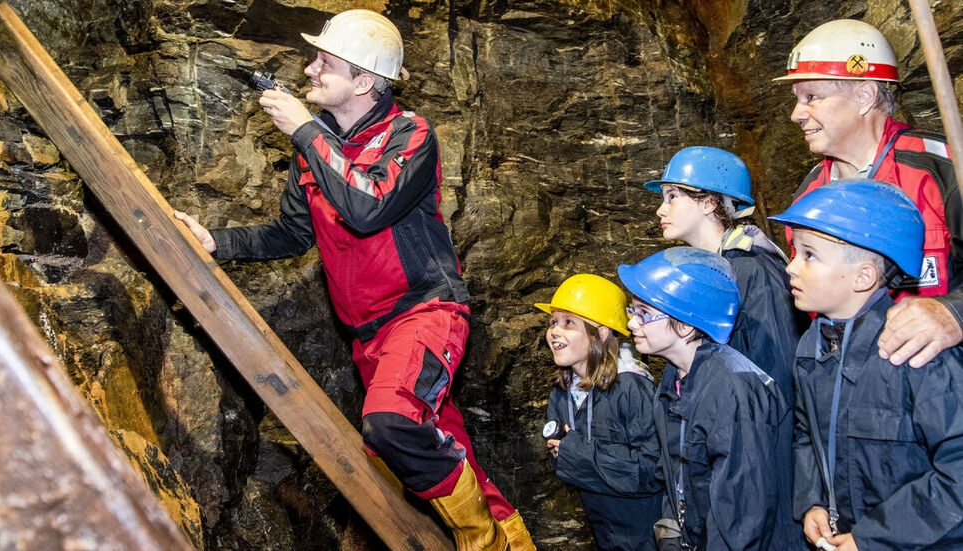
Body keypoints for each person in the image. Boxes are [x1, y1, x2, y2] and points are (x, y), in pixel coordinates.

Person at [173, 9, 533, 550]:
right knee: (438, 445)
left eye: (325, 62)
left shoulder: (410, 134)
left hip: (425, 312)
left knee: (391, 423)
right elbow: (292, 234)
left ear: (364, 81)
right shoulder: (314, 151)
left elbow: (369, 207)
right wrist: (217, 242)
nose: (310, 69)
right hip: (367, 335)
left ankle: (484, 543)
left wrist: (304, 130)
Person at [770, 179, 963, 550]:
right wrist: (813, 501)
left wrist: (873, 538)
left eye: (809, 255)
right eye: (796, 252)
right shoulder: (812, 347)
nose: (791, 267)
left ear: (864, 277)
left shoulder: (914, 349)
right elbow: (807, 433)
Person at [775, 18, 963, 368]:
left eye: (811, 97)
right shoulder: (807, 200)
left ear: (864, 96)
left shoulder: (944, 169)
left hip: (941, 388)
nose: (795, 114)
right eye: (797, 99)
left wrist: (955, 313)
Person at [617, 248, 803, 551]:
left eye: (644, 314)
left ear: (685, 325)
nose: (632, 324)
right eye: (632, 311)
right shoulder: (676, 378)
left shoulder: (733, 390)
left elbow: (742, 518)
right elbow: (674, 473)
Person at [644, 145, 806, 404]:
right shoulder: (710, 272)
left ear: (708, 203)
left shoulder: (754, 271)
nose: (660, 210)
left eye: (672, 196)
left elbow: (780, 376)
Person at [535, 274, 662, 550]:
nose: (554, 331)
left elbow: (654, 470)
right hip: (604, 531)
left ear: (601, 333)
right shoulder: (561, 392)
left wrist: (577, 454)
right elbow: (560, 463)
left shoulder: (631, 388)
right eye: (553, 322)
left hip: (647, 535)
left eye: (569, 322)